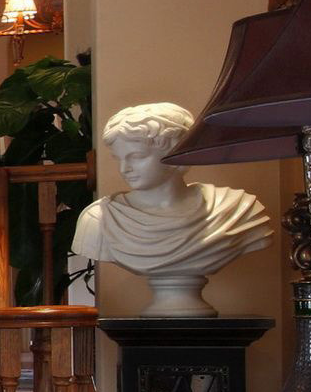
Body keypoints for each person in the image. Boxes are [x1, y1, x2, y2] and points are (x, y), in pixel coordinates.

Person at [68, 101, 273, 316]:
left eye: (137, 157)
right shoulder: (99, 219)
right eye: (118, 158)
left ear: (176, 154)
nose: (124, 169)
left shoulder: (238, 210)